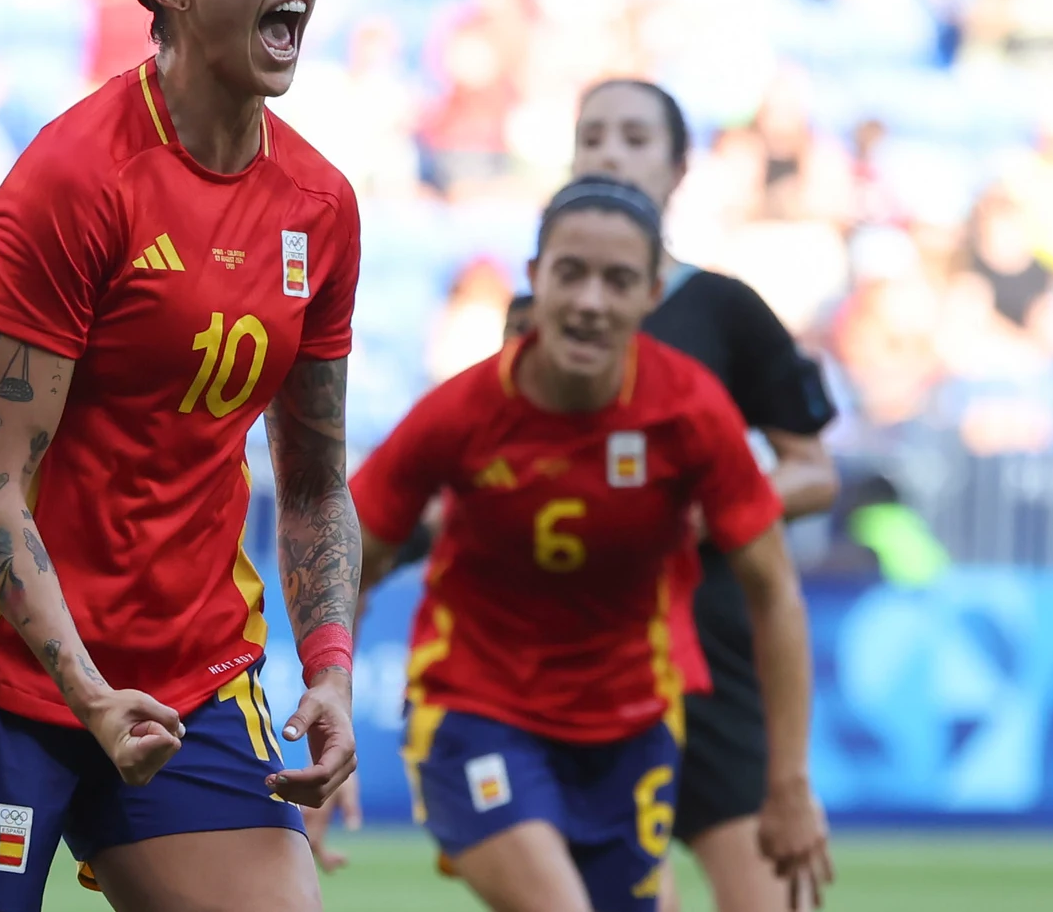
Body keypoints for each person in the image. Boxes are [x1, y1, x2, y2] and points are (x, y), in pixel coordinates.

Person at [0, 0, 359, 911]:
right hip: (3, 676)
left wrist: (327, 668)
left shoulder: (320, 205)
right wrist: (85, 690)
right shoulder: (74, 180)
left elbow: (314, 481)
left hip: (195, 673)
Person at [348, 177, 832, 912]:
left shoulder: (692, 411)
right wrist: (332, 720)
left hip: (633, 727)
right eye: (571, 273)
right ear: (536, 279)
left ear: (653, 294)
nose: (590, 301)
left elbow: (773, 590)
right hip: (475, 709)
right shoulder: (460, 413)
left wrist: (790, 783)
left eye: (619, 280)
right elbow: (347, 559)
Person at [574, 79, 841, 912]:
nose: (609, 152)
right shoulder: (544, 314)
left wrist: (708, 505)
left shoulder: (722, 307)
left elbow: (815, 468)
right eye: (592, 137)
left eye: (633, 137)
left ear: (679, 168)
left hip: (715, 639)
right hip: (584, 647)